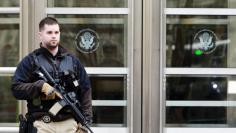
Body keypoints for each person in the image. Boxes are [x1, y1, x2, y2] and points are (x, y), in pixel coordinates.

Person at [11, 17, 92, 133]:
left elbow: (85, 90)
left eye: (56, 32)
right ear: (40, 35)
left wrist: (86, 123)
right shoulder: (30, 61)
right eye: (49, 32)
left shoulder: (73, 61)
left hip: (69, 124)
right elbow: (16, 89)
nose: (53, 36)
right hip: (43, 124)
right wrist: (39, 86)